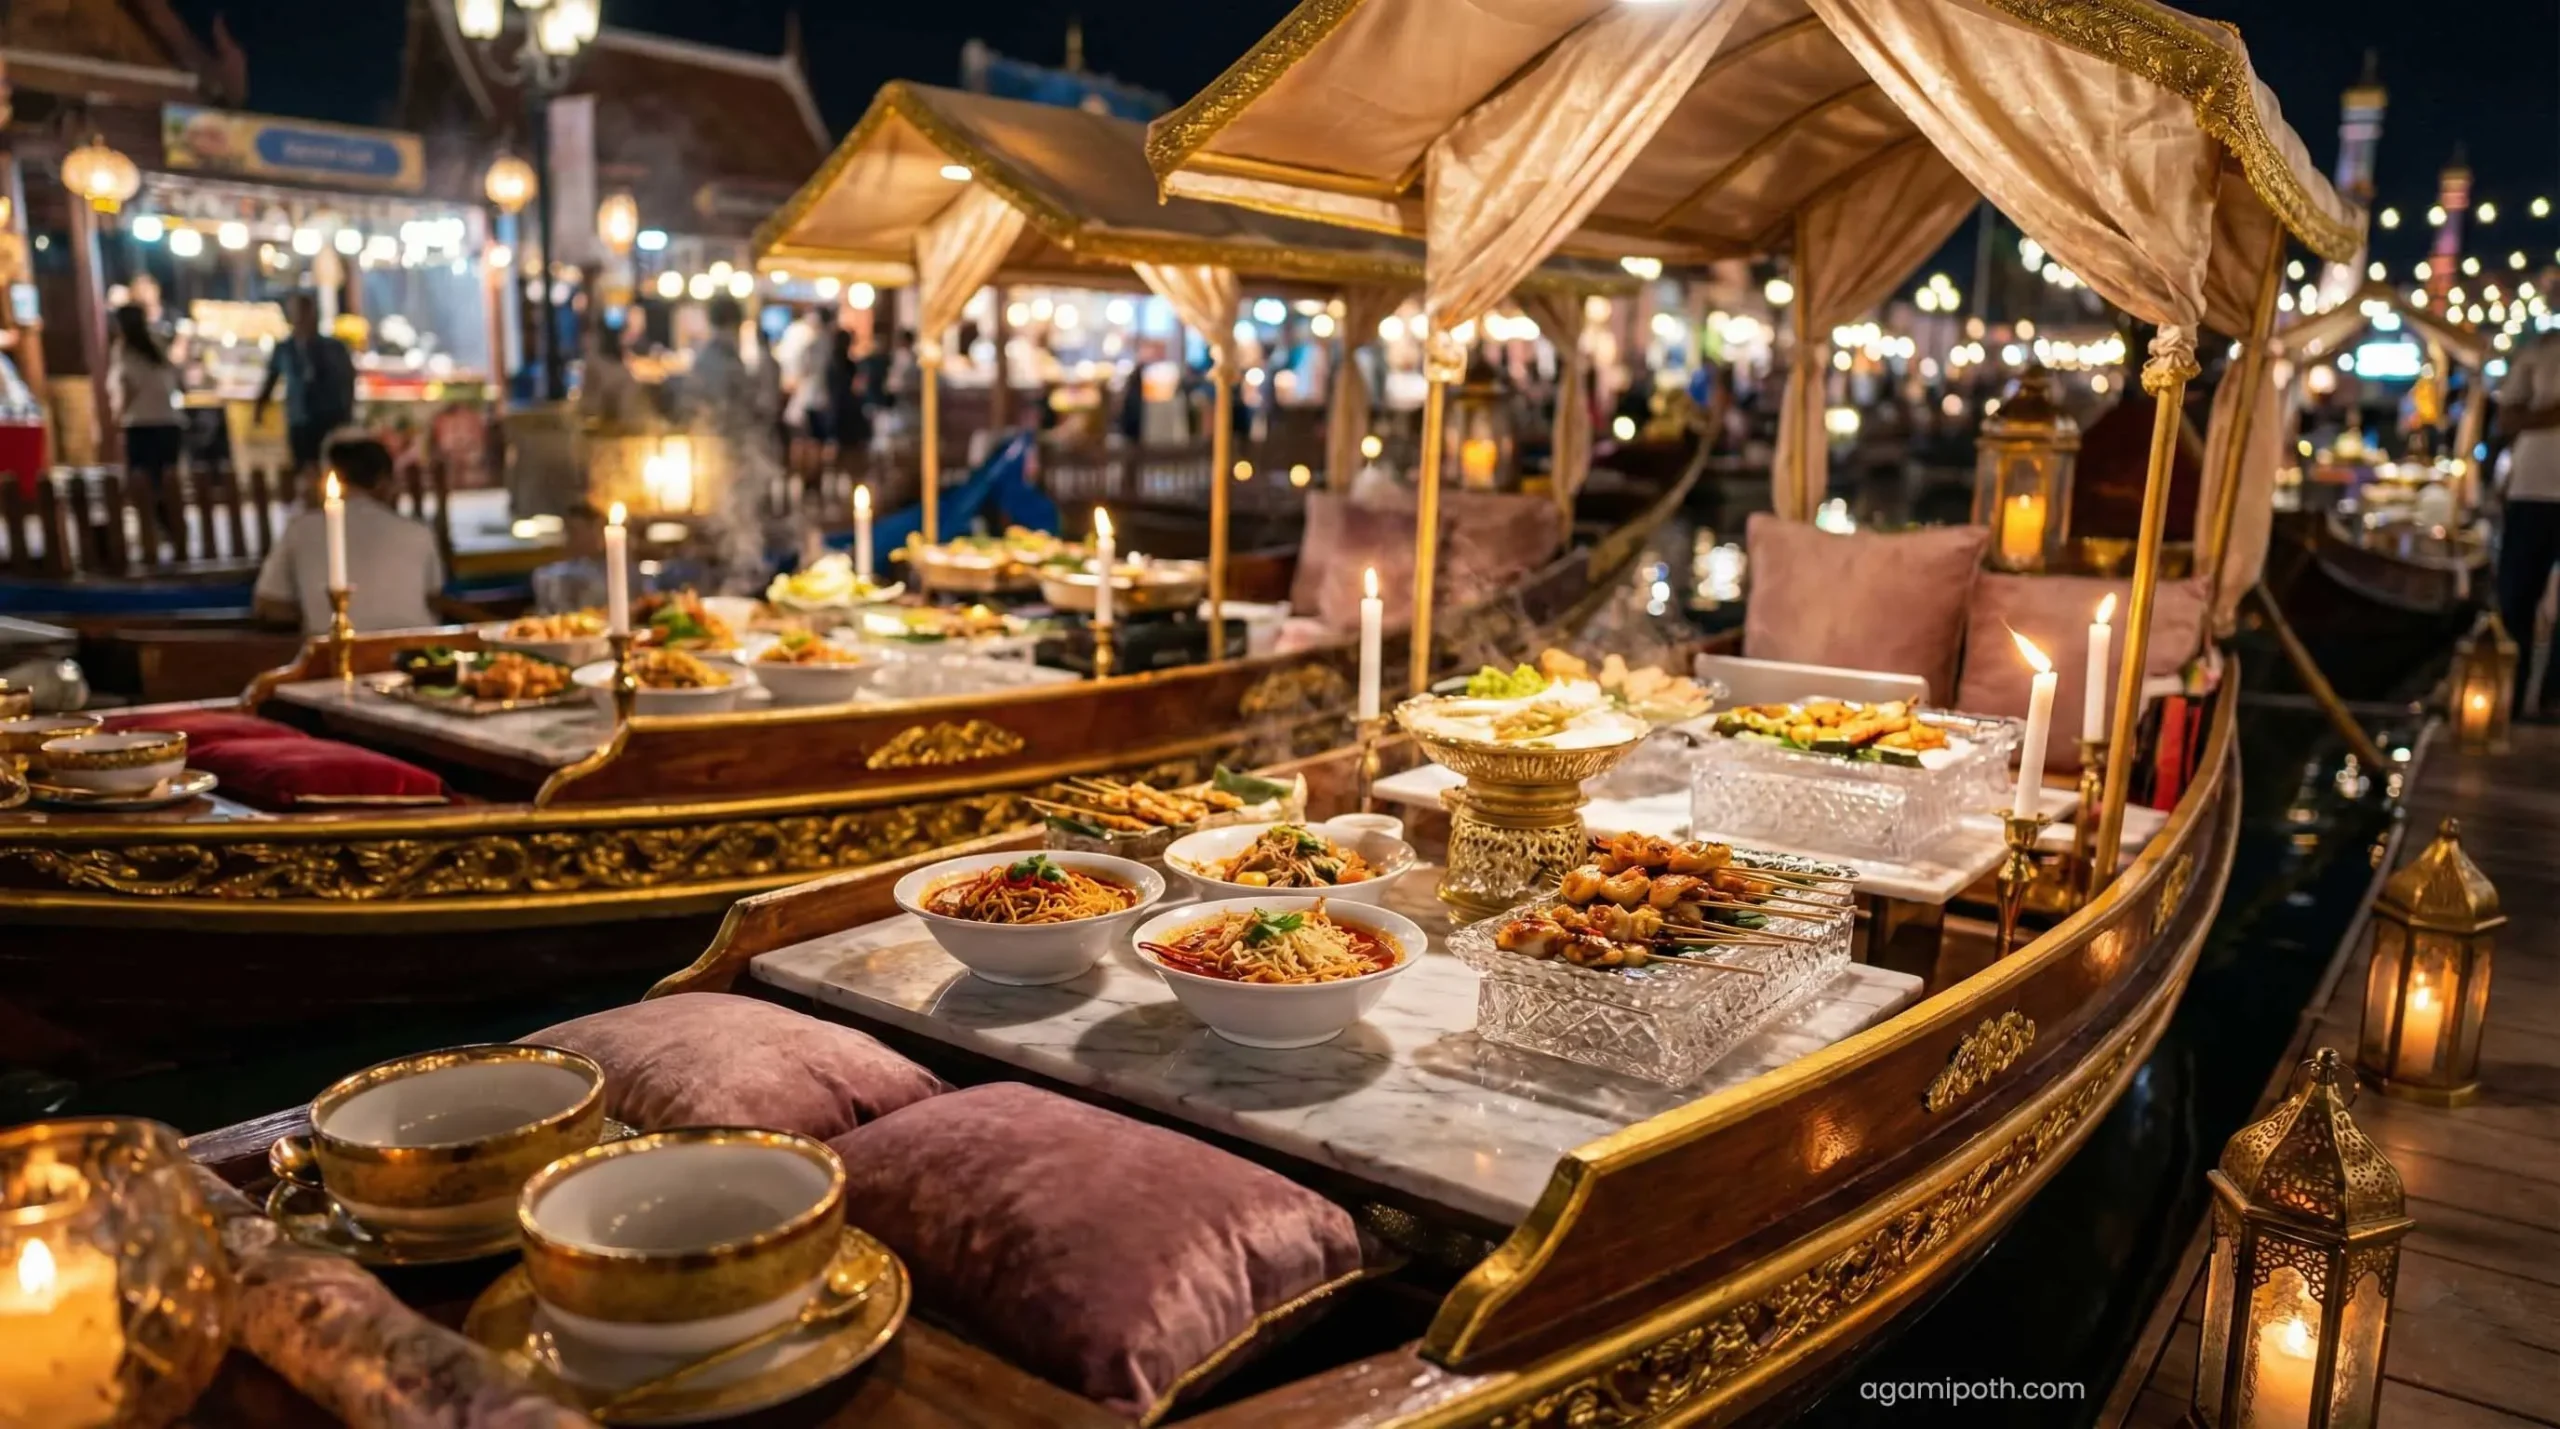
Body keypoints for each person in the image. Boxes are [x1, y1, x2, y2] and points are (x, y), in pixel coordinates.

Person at [254, 435, 444, 634]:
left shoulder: (300, 529)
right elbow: (433, 599)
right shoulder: (417, 531)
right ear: (383, 481)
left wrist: (312, 608)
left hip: (329, 651)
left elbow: (269, 606)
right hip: (416, 651)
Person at [2493, 327, 2560, 717]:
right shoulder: (2539, 348)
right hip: (2531, 490)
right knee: (2515, 599)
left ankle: (2553, 700)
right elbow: (2507, 417)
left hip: (2532, 492)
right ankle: (2508, 700)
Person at [108, 303, 185, 554]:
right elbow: (175, 374)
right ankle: (174, 529)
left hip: (141, 423)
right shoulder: (157, 343)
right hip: (169, 421)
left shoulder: (125, 350)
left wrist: (117, 419)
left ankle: (154, 532)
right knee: (167, 479)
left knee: (144, 482)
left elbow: (128, 387)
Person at [254, 293, 357, 474]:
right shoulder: (285, 349)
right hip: (299, 418)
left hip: (329, 417)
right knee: (302, 467)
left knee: (332, 467)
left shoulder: (333, 347)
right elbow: (271, 379)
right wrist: (260, 408)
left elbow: (348, 379)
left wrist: (347, 412)